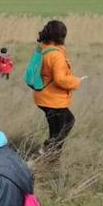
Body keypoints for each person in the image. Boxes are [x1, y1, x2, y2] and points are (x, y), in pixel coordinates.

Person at [32, 20, 82, 157]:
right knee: (68, 122)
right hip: (53, 99)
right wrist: (76, 82)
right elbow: (60, 79)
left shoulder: (43, 49)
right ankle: (46, 152)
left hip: (42, 96)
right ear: (61, 36)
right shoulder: (56, 55)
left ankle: (51, 159)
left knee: (56, 130)